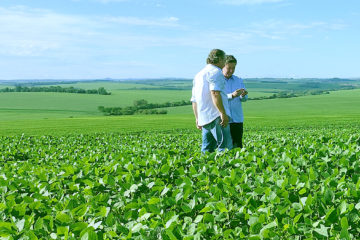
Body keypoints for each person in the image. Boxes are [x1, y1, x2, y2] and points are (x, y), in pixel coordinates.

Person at [191, 49, 233, 153]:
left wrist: (197, 118)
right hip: (216, 116)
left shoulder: (199, 75)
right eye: (224, 59)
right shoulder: (216, 72)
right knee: (225, 148)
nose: (224, 62)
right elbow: (215, 93)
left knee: (207, 149)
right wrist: (222, 113)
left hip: (204, 118)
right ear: (219, 59)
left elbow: (194, 100)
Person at [223, 55, 248, 148]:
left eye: (233, 68)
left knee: (238, 146)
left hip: (237, 119)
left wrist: (243, 95)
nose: (231, 70)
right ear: (223, 66)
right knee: (224, 147)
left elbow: (244, 99)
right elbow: (215, 97)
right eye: (229, 68)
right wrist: (231, 95)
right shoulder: (218, 80)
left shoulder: (238, 80)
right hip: (223, 119)